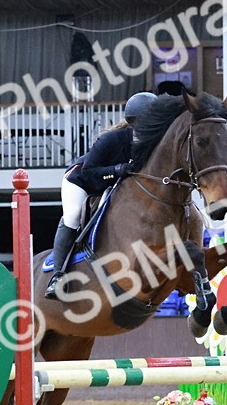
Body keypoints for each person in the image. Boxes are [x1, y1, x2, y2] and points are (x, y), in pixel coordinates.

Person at [45, 91, 158, 299]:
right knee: (73, 215)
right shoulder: (111, 140)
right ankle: (58, 276)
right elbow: (88, 172)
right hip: (82, 181)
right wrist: (116, 170)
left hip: (114, 186)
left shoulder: (152, 145)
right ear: (135, 122)